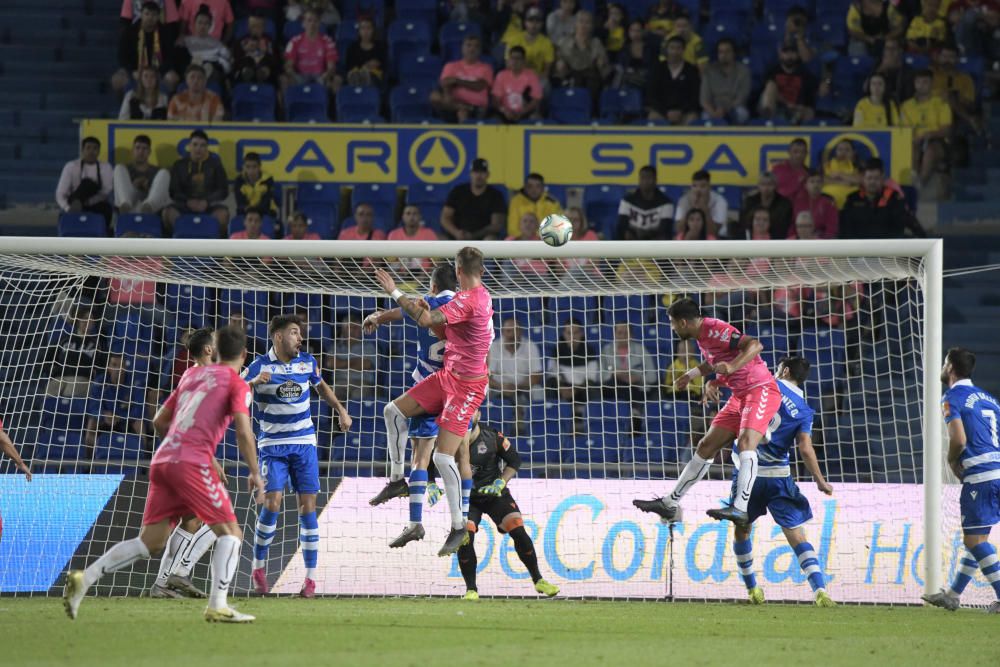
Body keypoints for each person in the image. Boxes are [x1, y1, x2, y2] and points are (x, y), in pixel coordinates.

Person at [63, 325, 263, 623]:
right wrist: (255, 473)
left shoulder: (191, 375)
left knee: (151, 542)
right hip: (191, 462)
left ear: (215, 351)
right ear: (244, 355)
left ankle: (85, 577)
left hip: (163, 460)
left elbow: (158, 421)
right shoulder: (238, 384)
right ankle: (218, 604)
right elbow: (244, 432)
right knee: (231, 534)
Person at [371, 248, 495, 556]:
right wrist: (426, 309)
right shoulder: (478, 297)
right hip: (447, 376)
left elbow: (426, 319)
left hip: (466, 387)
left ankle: (458, 526)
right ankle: (398, 479)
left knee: (443, 458)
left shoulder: (468, 300)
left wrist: (394, 290)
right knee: (393, 411)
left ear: (458, 269)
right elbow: (443, 324)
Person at [633, 297, 780, 527]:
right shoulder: (701, 336)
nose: (672, 328)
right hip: (738, 395)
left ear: (683, 323)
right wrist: (693, 376)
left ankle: (740, 508)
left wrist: (730, 368)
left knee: (745, 443)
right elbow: (714, 362)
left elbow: (754, 346)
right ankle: (670, 503)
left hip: (760, 390)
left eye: (672, 323)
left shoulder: (714, 328)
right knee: (705, 446)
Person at [703, 357, 836, 607]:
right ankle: (820, 590)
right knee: (795, 534)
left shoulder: (762, 386)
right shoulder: (804, 410)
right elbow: (805, 448)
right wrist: (820, 480)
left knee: (742, 529)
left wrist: (714, 381)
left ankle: (752, 588)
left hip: (747, 475)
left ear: (784, 370)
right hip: (778, 477)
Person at [244, 314, 352, 597]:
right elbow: (236, 392)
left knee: (308, 508)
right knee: (273, 504)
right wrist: (253, 382)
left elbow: (322, 386)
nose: (300, 338)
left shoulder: (308, 362)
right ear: (278, 337)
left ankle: (310, 579)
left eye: (299, 333)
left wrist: (340, 410)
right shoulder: (259, 366)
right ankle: (258, 568)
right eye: (294, 333)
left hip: (304, 443)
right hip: (272, 447)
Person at [362, 265, 458, 546]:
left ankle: (395, 480)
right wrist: (382, 316)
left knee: (393, 415)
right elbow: (407, 311)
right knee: (430, 457)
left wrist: (379, 314)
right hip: (456, 389)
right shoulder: (460, 307)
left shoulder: (430, 303)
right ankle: (422, 523)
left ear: (433, 286)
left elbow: (407, 310)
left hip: (429, 388)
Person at [147, 327, 225, 599]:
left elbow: (168, 422)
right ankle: (174, 575)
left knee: (193, 520)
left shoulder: (190, 375)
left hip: (184, 458)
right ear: (208, 349)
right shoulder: (201, 376)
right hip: (188, 462)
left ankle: (166, 581)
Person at [922, 347, 1000, 614]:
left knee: (974, 541)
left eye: (944, 363)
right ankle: (953, 595)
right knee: (976, 539)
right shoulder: (989, 399)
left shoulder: (952, 396)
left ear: (950, 367)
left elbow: (959, 439)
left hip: (981, 476)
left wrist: (952, 460)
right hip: (997, 470)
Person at [455, 412, 559, 600]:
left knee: (517, 526)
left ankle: (538, 579)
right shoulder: (449, 439)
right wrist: (430, 483)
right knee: (465, 534)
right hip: (467, 497)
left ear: (478, 414)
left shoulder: (493, 437)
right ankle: (471, 590)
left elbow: (515, 460)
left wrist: (500, 482)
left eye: (473, 411)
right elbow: (430, 460)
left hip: (495, 494)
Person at [163, 129, 230, 235]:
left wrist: (206, 202)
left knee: (223, 214)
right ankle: (177, 241)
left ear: (207, 147)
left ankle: (214, 243)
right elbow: (174, 190)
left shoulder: (215, 165)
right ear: (189, 146)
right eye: (195, 145)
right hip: (184, 206)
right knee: (167, 213)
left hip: (208, 206)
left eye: (202, 145)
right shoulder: (179, 165)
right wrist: (188, 201)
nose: (198, 149)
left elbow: (223, 190)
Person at [839, 159, 926, 238]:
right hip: (859, 249)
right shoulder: (852, 199)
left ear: (882, 178)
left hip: (888, 249)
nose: (872, 182)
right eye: (869, 178)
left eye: (876, 178)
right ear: (863, 179)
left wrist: (923, 238)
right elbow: (845, 228)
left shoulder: (894, 197)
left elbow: (907, 220)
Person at [488, 317, 545, 431]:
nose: (511, 335)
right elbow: (487, 376)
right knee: (484, 391)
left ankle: (536, 427)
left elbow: (537, 375)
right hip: (500, 387)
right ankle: (490, 424)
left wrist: (517, 387)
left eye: (514, 330)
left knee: (539, 391)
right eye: (508, 331)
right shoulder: (494, 346)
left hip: (524, 387)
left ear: (520, 331)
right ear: (503, 332)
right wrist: (502, 387)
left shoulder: (530, 345)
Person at [114, 1, 180, 94]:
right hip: (134, 70)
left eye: (154, 15)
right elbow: (122, 57)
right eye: (147, 14)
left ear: (158, 17)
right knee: (117, 80)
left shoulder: (165, 33)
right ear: (141, 14)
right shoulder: (129, 32)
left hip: (159, 70)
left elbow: (170, 57)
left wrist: (159, 72)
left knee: (173, 78)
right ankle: (124, 106)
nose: (150, 17)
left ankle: (167, 106)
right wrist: (132, 72)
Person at [82, 353, 145, 450]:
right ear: (108, 367)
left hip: (126, 422)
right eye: (114, 365)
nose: (118, 369)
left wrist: (119, 417)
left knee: (139, 423)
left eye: (121, 365)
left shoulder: (135, 383)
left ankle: (142, 455)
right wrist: (103, 415)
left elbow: (138, 410)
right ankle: (94, 456)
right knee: (92, 421)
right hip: (105, 422)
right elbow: (93, 407)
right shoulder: (99, 382)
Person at [902, 69, 953, 185]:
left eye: (925, 82)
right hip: (914, 140)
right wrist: (915, 139)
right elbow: (904, 130)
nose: (921, 86)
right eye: (918, 82)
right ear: (914, 84)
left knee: (930, 150)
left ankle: (921, 182)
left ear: (931, 84)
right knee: (911, 148)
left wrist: (928, 135)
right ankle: (912, 181)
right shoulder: (906, 105)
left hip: (937, 141)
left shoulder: (941, 102)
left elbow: (946, 130)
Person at [431, 34, 494, 123]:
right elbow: (445, 83)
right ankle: (462, 107)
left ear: (480, 50)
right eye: (468, 45)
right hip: (452, 105)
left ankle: (464, 111)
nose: (472, 49)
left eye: (476, 46)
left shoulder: (486, 68)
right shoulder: (451, 66)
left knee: (462, 113)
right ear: (462, 48)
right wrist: (447, 93)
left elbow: (479, 86)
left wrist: (457, 81)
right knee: (434, 96)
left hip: (475, 108)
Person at [441, 158, 507, 240]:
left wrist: (473, 235)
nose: (479, 176)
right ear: (470, 174)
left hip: (482, 238)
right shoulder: (458, 191)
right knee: (440, 239)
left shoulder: (496, 195)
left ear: (488, 174)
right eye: (476, 172)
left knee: (490, 239)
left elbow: (496, 225)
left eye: (482, 172)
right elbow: (445, 217)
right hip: (457, 236)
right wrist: (456, 232)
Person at [554, 10, 612, 102]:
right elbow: (559, 66)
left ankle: (592, 112)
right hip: (571, 74)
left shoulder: (596, 43)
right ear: (575, 24)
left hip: (591, 76)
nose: (583, 25)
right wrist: (561, 66)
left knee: (593, 81)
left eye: (587, 22)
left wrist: (601, 64)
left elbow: (605, 70)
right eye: (581, 21)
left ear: (592, 26)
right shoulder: (564, 42)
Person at [56, 136, 114, 228]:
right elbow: (60, 194)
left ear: (99, 151)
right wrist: (67, 208)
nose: (91, 152)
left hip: (96, 203)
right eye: (88, 148)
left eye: (95, 148)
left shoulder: (106, 167)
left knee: (107, 208)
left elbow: (106, 191)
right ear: (82, 150)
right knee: (64, 214)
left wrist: (88, 202)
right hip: (72, 202)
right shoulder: (71, 166)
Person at [174, 4, 232, 88]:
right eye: (200, 23)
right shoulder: (185, 41)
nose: (202, 26)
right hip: (191, 67)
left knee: (211, 68)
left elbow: (227, 59)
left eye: (206, 23)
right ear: (194, 23)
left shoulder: (217, 43)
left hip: (211, 69)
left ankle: (203, 74)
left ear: (210, 26)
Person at [645, 35, 700, 124]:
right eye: (672, 48)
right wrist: (665, 112)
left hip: (685, 113)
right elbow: (651, 95)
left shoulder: (691, 70)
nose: (675, 52)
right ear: (667, 49)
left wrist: (681, 112)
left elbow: (695, 96)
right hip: (662, 111)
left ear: (684, 50)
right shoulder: (658, 68)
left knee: (693, 118)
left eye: (678, 48)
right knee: (652, 117)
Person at [757, 45, 817, 125]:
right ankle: (768, 120)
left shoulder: (805, 75)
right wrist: (786, 104)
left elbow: (809, 103)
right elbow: (766, 94)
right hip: (776, 108)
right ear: (780, 54)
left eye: (792, 52)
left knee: (807, 113)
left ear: (798, 54)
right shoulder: (771, 72)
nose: (789, 56)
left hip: (797, 110)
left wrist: (799, 108)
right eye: (786, 52)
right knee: (770, 86)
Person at [113, 134, 171, 216]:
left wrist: (149, 185)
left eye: (144, 148)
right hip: (130, 204)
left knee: (165, 172)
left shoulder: (157, 171)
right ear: (133, 151)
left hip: (150, 203)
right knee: (118, 167)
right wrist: (133, 185)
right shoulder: (126, 169)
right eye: (137, 148)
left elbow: (160, 192)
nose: (141, 152)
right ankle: (125, 205)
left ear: (149, 152)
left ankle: (149, 205)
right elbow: (120, 189)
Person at [283, 8, 339, 91]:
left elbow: (331, 67)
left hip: (321, 76)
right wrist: (294, 76)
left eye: (315, 21)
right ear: (303, 23)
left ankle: (331, 103)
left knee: (337, 80)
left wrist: (325, 76)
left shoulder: (328, 41)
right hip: (300, 76)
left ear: (319, 23)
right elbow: (288, 65)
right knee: (284, 80)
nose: (312, 24)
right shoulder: (294, 41)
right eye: (309, 20)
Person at [325, 313, 377, 400]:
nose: (352, 331)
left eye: (355, 328)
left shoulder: (369, 347)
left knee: (358, 396)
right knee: (331, 395)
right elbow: (330, 364)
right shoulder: (336, 347)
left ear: (361, 330)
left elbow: (365, 365)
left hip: (362, 383)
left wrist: (341, 363)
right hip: (339, 382)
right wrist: (354, 362)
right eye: (349, 328)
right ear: (343, 330)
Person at [700, 38, 751, 125]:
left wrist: (726, 109)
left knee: (742, 114)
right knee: (705, 117)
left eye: (727, 51)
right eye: (721, 52)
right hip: (714, 108)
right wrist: (713, 112)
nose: (724, 55)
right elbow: (704, 99)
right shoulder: (709, 71)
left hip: (735, 107)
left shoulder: (743, 71)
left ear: (733, 53)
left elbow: (742, 96)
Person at [617, 165, 675, 240]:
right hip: (633, 241)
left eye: (649, 178)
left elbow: (665, 229)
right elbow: (622, 226)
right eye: (642, 178)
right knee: (626, 234)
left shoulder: (666, 203)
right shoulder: (627, 200)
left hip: (655, 242)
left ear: (655, 180)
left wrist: (645, 234)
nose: (645, 181)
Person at [492, 45, 544, 124]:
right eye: (512, 58)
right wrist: (504, 111)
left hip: (525, 112)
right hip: (505, 113)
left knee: (536, 118)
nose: (515, 61)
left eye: (518, 58)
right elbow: (495, 99)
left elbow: (536, 100)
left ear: (523, 61)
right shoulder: (501, 75)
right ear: (509, 60)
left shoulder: (531, 76)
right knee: (494, 120)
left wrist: (522, 112)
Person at [737, 171, 793, 240]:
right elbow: (743, 222)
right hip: (751, 237)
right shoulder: (749, 201)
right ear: (758, 185)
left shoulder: (784, 203)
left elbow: (784, 226)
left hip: (776, 238)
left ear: (775, 186)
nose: (766, 188)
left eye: (769, 184)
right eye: (763, 184)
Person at [505, 6, 555, 83]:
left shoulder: (547, 43)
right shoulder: (514, 40)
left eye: (537, 21)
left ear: (541, 24)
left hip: (536, 78)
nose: (534, 24)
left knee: (545, 84)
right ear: (525, 23)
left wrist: (532, 78)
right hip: (516, 76)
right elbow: (508, 65)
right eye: (530, 21)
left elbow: (546, 72)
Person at [674, 169, 728, 237]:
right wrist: (690, 210)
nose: (698, 190)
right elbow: (679, 230)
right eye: (695, 186)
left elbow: (714, 232)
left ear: (709, 187)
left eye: (702, 186)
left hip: (717, 239)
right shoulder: (684, 200)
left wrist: (705, 210)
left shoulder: (720, 201)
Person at [506, 172, 561, 238]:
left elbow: (556, 227)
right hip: (520, 240)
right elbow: (512, 229)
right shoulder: (516, 201)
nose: (533, 190)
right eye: (530, 186)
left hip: (544, 241)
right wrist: (525, 238)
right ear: (525, 187)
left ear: (543, 188)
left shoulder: (552, 203)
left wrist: (536, 237)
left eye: (538, 186)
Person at [233, 12, 279, 85]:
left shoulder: (270, 42)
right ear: (248, 27)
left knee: (266, 64)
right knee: (247, 63)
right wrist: (244, 51)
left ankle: (261, 75)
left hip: (266, 73)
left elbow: (277, 63)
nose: (255, 30)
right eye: (253, 26)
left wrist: (266, 52)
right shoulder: (241, 42)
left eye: (258, 26)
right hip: (245, 72)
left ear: (264, 27)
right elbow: (235, 63)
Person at [791, 170, 838, 239]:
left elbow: (831, 229)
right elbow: (792, 225)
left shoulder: (829, 203)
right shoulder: (798, 202)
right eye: (812, 182)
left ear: (822, 185)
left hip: (821, 241)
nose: (816, 185)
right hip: (800, 239)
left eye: (818, 182)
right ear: (805, 185)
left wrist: (819, 238)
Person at [343, 16, 386, 88]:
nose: (366, 32)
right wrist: (364, 67)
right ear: (359, 31)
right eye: (363, 28)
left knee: (371, 76)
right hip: (356, 75)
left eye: (368, 28)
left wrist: (375, 65)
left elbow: (384, 66)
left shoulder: (381, 47)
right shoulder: (352, 48)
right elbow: (349, 67)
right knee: (355, 75)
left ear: (373, 30)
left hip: (375, 76)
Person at [233, 152, 277, 217]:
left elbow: (266, 202)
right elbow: (240, 203)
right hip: (245, 213)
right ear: (244, 167)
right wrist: (250, 211)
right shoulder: (239, 180)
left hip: (266, 212)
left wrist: (255, 212)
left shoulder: (268, 179)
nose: (251, 170)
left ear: (259, 167)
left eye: (254, 167)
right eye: (248, 167)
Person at [822, 139, 862, 208]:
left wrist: (840, 174)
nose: (843, 152)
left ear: (853, 153)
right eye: (840, 150)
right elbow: (822, 179)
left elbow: (860, 180)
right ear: (836, 152)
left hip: (851, 205)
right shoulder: (828, 165)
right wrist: (842, 183)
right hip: (829, 203)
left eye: (847, 150)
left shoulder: (859, 167)